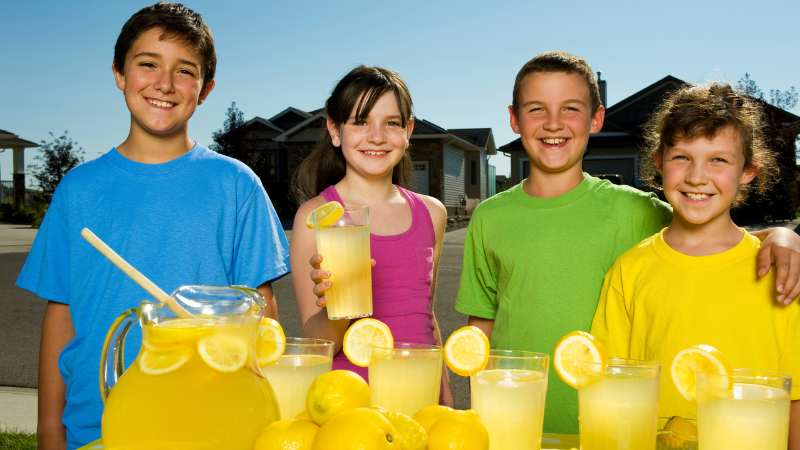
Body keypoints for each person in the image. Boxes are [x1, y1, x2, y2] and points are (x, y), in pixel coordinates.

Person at [454, 51, 800, 434]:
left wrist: (783, 237)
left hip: (602, 427)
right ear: (514, 118)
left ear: (596, 118)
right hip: (514, 423)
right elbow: (478, 336)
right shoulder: (489, 217)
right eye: (537, 109)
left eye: (570, 108)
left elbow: (713, 240)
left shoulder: (634, 210)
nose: (554, 123)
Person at [16, 3, 290, 449]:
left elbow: (260, 316)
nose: (164, 83)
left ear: (205, 90)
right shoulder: (78, 189)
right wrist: (50, 428)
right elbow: (61, 314)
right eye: (147, 64)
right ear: (119, 73)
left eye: (185, 71)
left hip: (213, 424)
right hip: (96, 425)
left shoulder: (237, 185)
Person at [591, 82, 799, 446]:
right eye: (681, 157)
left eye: (718, 159)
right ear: (658, 162)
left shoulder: (781, 270)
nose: (697, 176)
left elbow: (794, 395)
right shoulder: (629, 270)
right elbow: (610, 389)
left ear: (749, 170)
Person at [289, 65, 454, 407]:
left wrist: (447, 400)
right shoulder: (316, 218)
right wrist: (340, 303)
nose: (377, 136)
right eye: (360, 121)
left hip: (422, 402)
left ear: (408, 131)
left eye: (391, 123)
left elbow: (427, 318)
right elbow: (319, 344)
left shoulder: (432, 213)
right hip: (349, 408)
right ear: (335, 131)